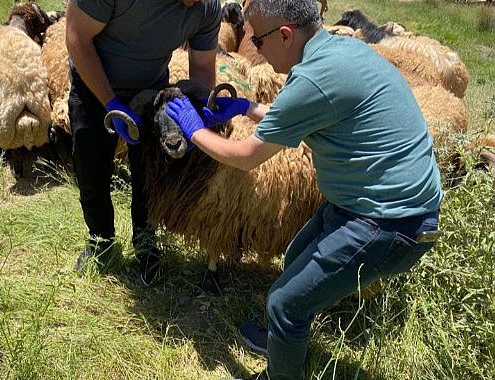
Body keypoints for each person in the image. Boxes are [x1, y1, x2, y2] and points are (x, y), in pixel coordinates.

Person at [163, 0, 443, 378]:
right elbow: (299, 113)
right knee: (295, 257)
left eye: (258, 42)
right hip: (370, 200)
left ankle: (281, 364)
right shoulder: (339, 52)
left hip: (392, 221)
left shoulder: (313, 78)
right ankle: (283, 341)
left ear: (285, 35)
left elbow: (246, 156)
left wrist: (193, 128)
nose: (255, 51)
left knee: (284, 302)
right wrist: (245, 107)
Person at [65, 0, 221, 285]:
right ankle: (101, 239)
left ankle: (146, 240)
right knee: (91, 172)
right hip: (92, 85)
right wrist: (110, 101)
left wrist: (198, 117)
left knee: (149, 175)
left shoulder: (206, 7)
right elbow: (77, 37)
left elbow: (201, 67)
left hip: (150, 93)